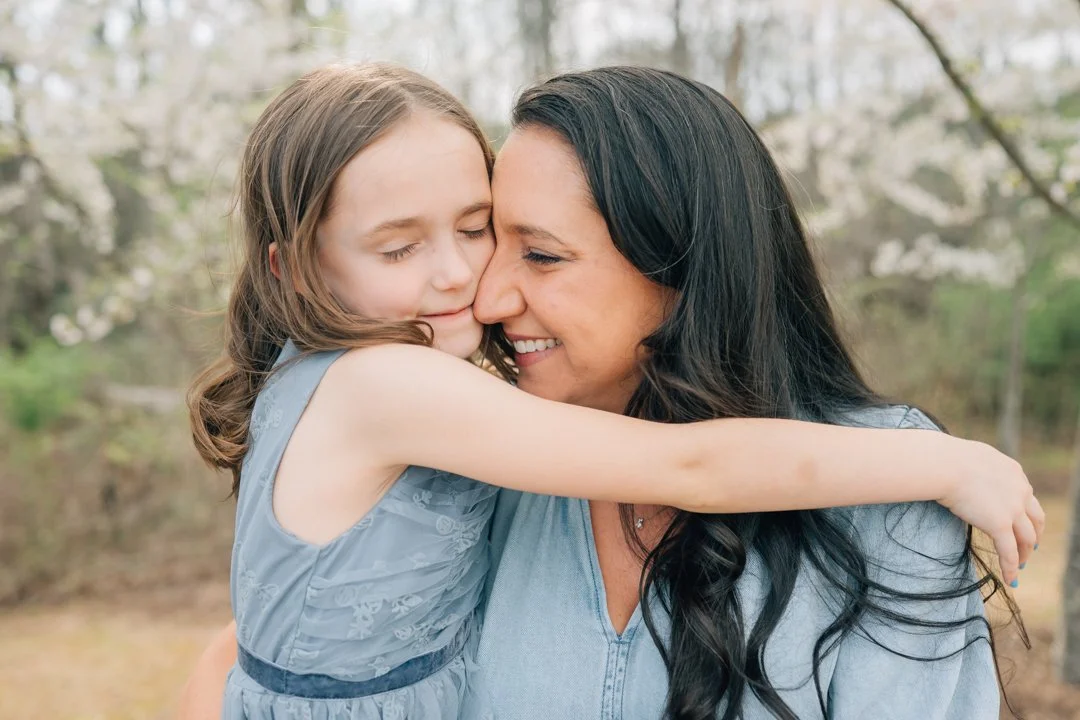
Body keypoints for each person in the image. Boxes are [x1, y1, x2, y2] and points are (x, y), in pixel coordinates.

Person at [180, 64, 1040, 719]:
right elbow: (263, 645)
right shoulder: (479, 448)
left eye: (525, 248)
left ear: (681, 267)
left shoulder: (888, 496)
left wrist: (928, 461)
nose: (480, 291)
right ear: (291, 268)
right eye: (401, 247)